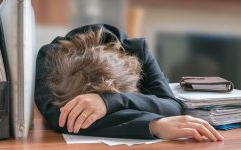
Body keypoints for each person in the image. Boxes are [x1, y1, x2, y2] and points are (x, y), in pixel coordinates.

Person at [35, 24, 224, 142]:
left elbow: (172, 107)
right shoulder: (49, 58)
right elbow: (62, 118)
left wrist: (110, 102)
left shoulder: (137, 50)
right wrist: (154, 125)